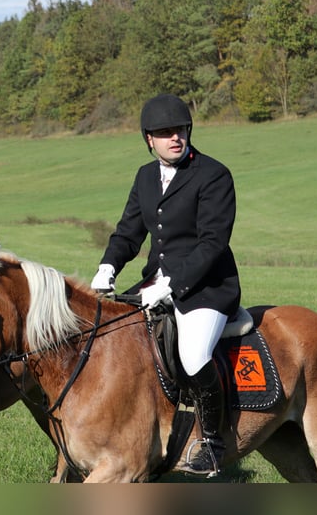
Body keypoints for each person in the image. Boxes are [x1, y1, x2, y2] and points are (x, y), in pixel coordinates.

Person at [90, 93, 241, 477]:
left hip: (206, 288)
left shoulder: (214, 174)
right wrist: (109, 264)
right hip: (154, 283)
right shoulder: (144, 176)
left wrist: (172, 284)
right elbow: (128, 232)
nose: (174, 137)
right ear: (149, 140)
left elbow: (212, 243)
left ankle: (211, 443)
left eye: (179, 130)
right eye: (164, 132)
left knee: (192, 354)